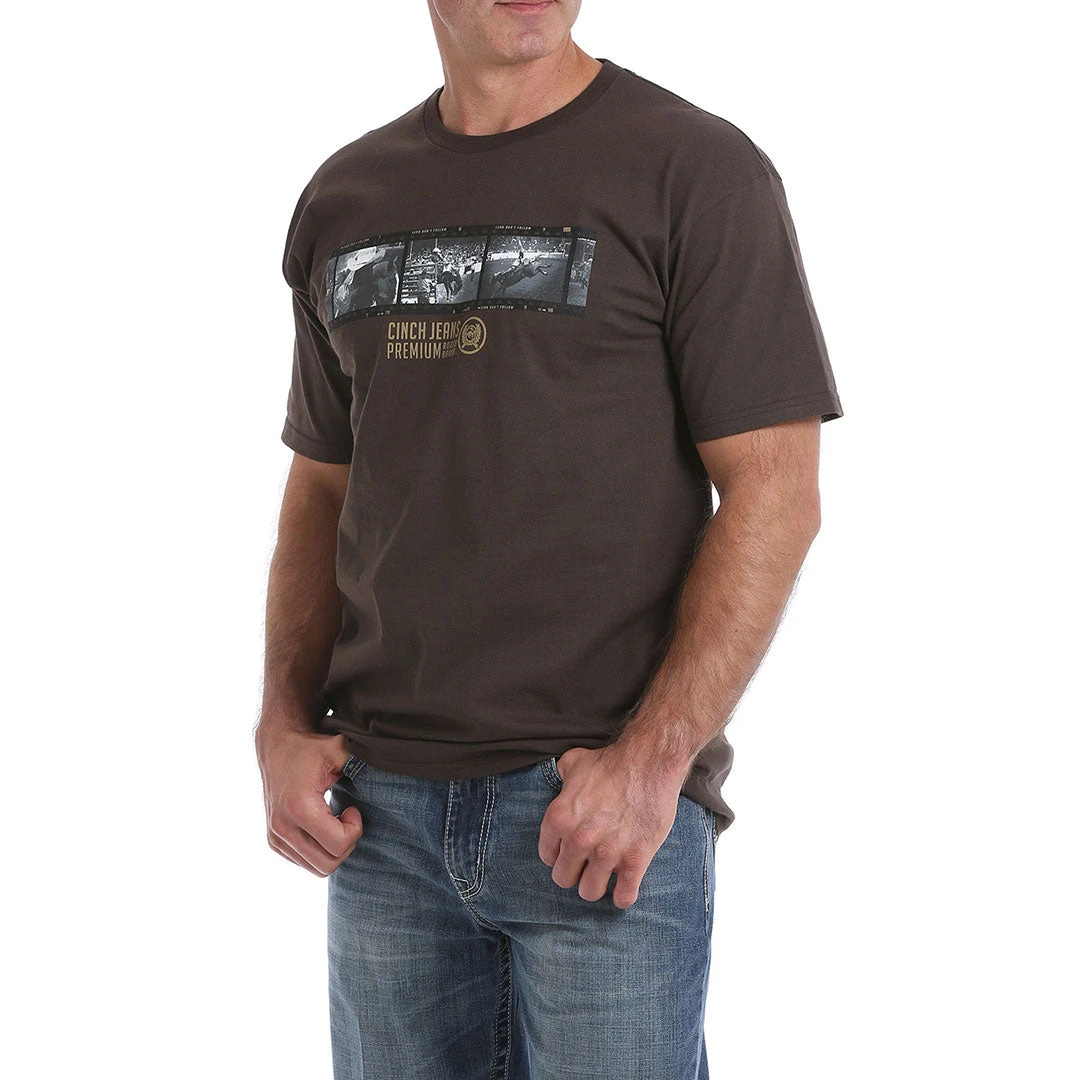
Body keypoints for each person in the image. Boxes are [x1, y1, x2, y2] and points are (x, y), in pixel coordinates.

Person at [255, 2, 844, 1077]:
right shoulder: (347, 195)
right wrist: (282, 722)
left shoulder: (696, 172)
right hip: (380, 818)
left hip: (596, 812)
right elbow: (324, 484)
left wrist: (652, 766)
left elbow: (776, 490)